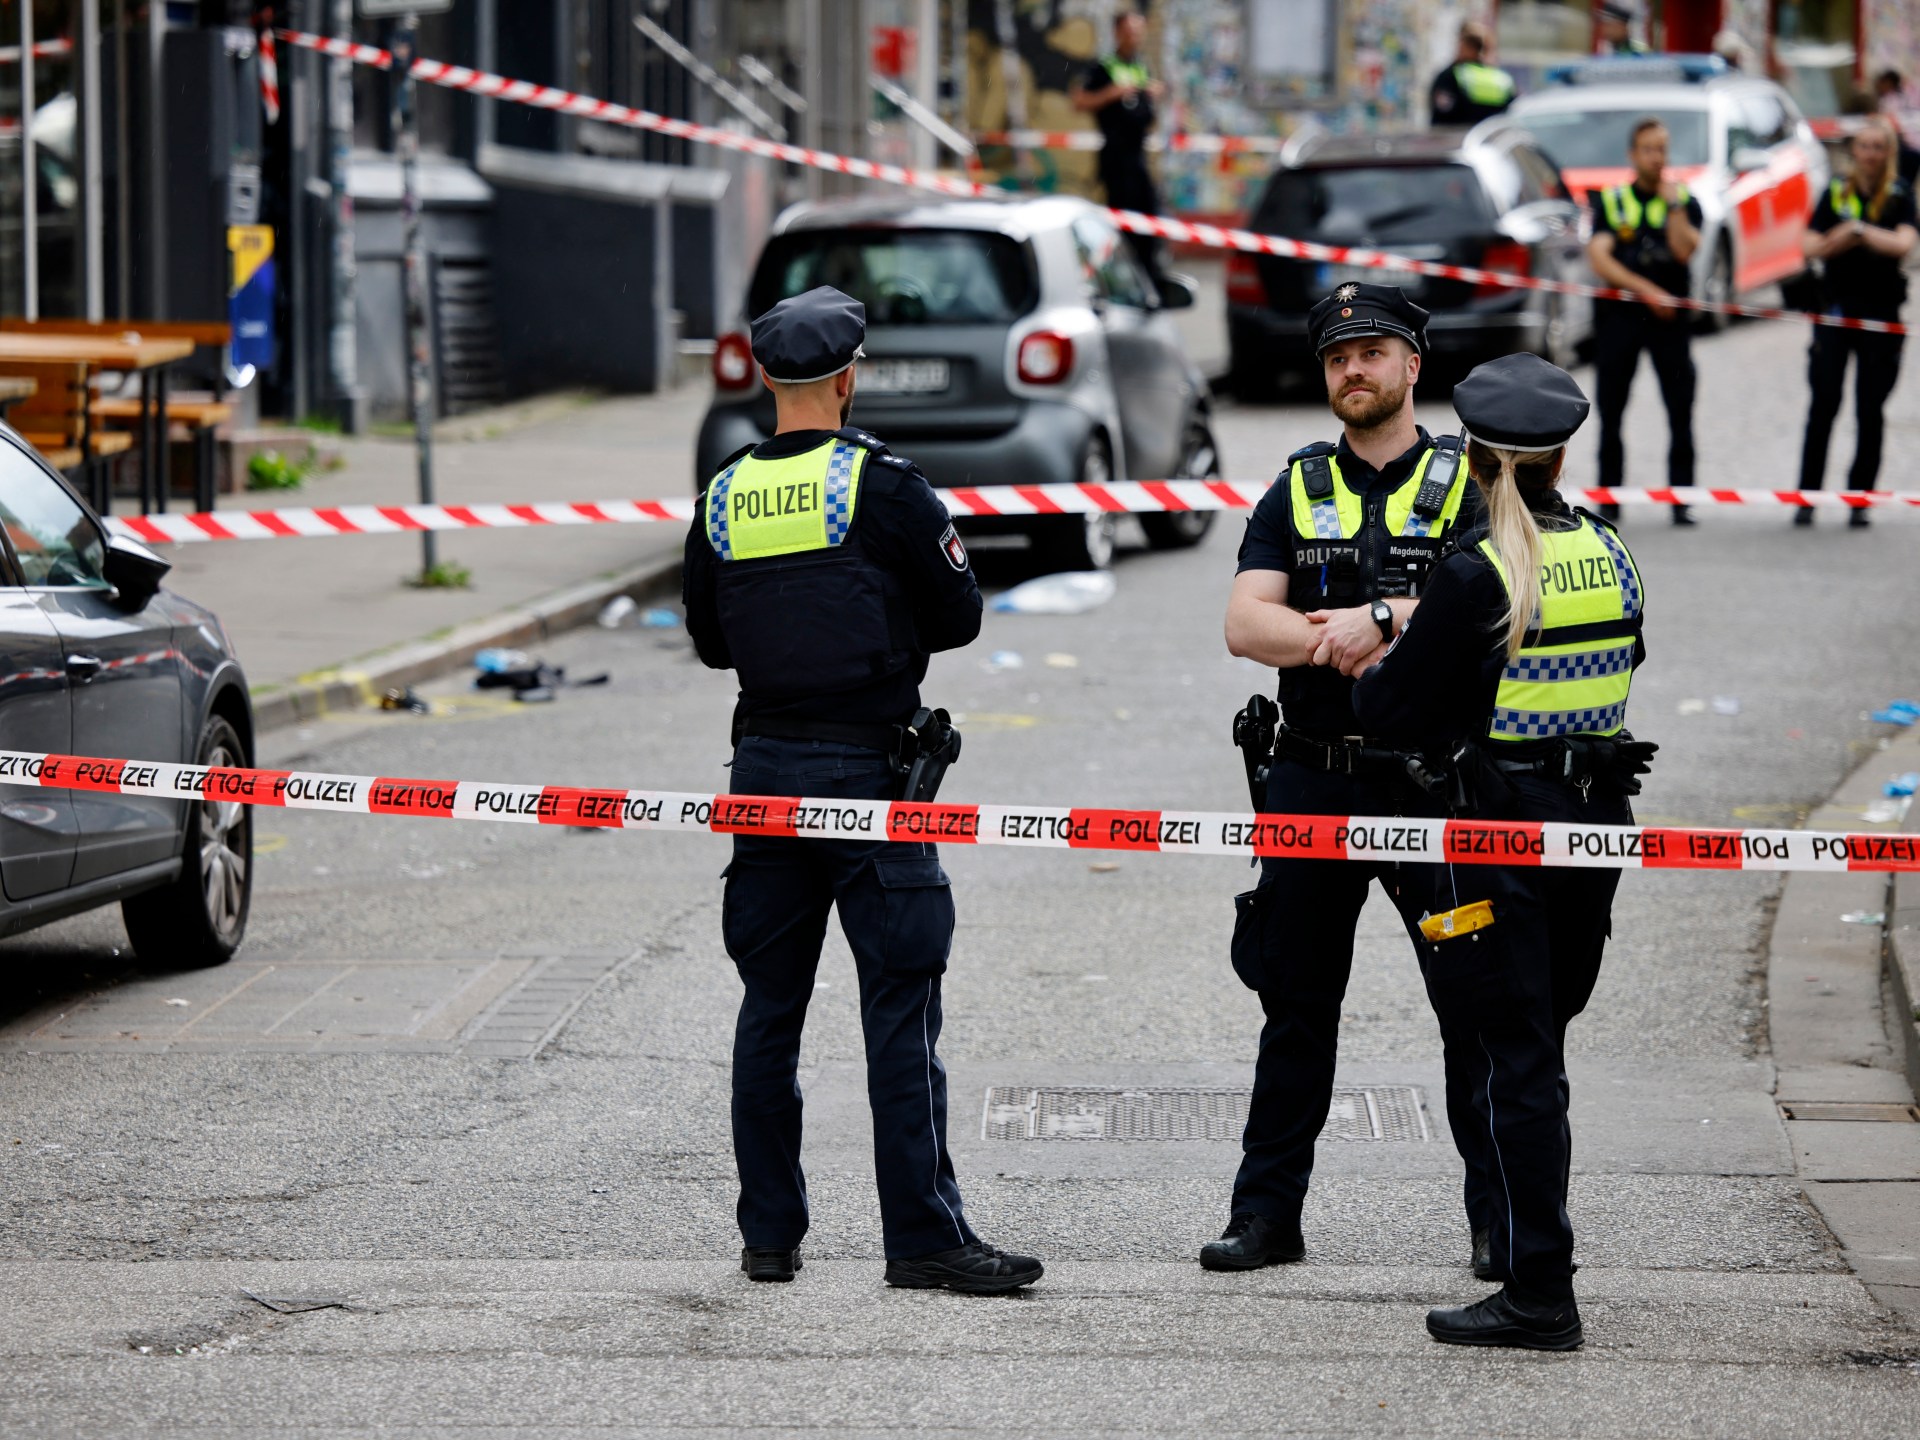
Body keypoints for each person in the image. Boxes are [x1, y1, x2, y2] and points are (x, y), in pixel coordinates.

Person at [683, 285, 1043, 1295]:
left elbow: (711, 640)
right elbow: (960, 612)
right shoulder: (883, 488)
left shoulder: (724, 494)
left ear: (764, 381)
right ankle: (923, 1240)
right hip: (872, 778)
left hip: (763, 778)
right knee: (898, 1011)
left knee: (769, 1009)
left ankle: (768, 1238)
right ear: (849, 379)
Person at [1353, 352, 1656, 1350]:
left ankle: (1539, 1291)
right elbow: (1627, 657)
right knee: (1544, 1048)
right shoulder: (1610, 551)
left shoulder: (1480, 573)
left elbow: (1389, 712)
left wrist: (1393, 647)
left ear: (1476, 458)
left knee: (1513, 1056)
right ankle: (1538, 1265)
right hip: (1593, 820)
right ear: (1562, 454)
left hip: (1502, 827)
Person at [1204, 284, 1479, 1272]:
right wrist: (1341, 640)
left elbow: (1492, 614)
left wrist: (1390, 620)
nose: (1352, 371)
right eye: (1336, 358)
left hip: (1432, 788)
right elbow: (1246, 625)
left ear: (1413, 365)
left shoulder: (1465, 484)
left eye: (1371, 353)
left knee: (1474, 1009)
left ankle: (1500, 1221)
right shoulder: (1295, 486)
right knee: (1296, 1006)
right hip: (1311, 782)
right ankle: (1265, 1217)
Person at [1795, 119, 1918, 529]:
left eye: (1877, 147)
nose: (1869, 154)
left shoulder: (1898, 195)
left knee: (1870, 408)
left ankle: (1859, 499)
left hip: (1880, 316)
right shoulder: (1835, 192)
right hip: (1835, 312)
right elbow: (1810, 245)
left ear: (1887, 153)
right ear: (1854, 151)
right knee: (1824, 403)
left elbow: (1903, 243)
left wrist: (1858, 231)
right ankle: (1806, 497)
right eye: (1863, 146)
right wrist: (1841, 238)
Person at [1586, 116, 1703, 526]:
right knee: (1612, 409)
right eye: (1649, 149)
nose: (1657, 157)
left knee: (1680, 408)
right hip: (1623, 318)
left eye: (1662, 150)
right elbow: (1599, 257)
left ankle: (1682, 499)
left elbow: (1684, 249)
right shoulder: (1614, 200)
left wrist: (1673, 205)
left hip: (1671, 323)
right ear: (1633, 155)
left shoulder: (1684, 199)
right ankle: (1609, 500)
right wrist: (1646, 290)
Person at [1071, 11, 1167, 288]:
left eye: (1138, 31)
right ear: (1117, 33)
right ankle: (1118, 283)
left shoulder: (1141, 65)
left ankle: (1148, 280)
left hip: (1138, 155)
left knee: (1148, 221)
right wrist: (1113, 93)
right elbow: (1079, 100)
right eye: (1129, 31)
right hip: (1116, 156)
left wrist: (1150, 92)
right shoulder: (1105, 66)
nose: (1134, 37)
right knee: (1120, 223)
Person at [1431, 22, 1516, 129]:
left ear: (1465, 47)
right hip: (1491, 142)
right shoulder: (1502, 80)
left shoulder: (1452, 76)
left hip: (1459, 142)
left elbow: (1441, 118)